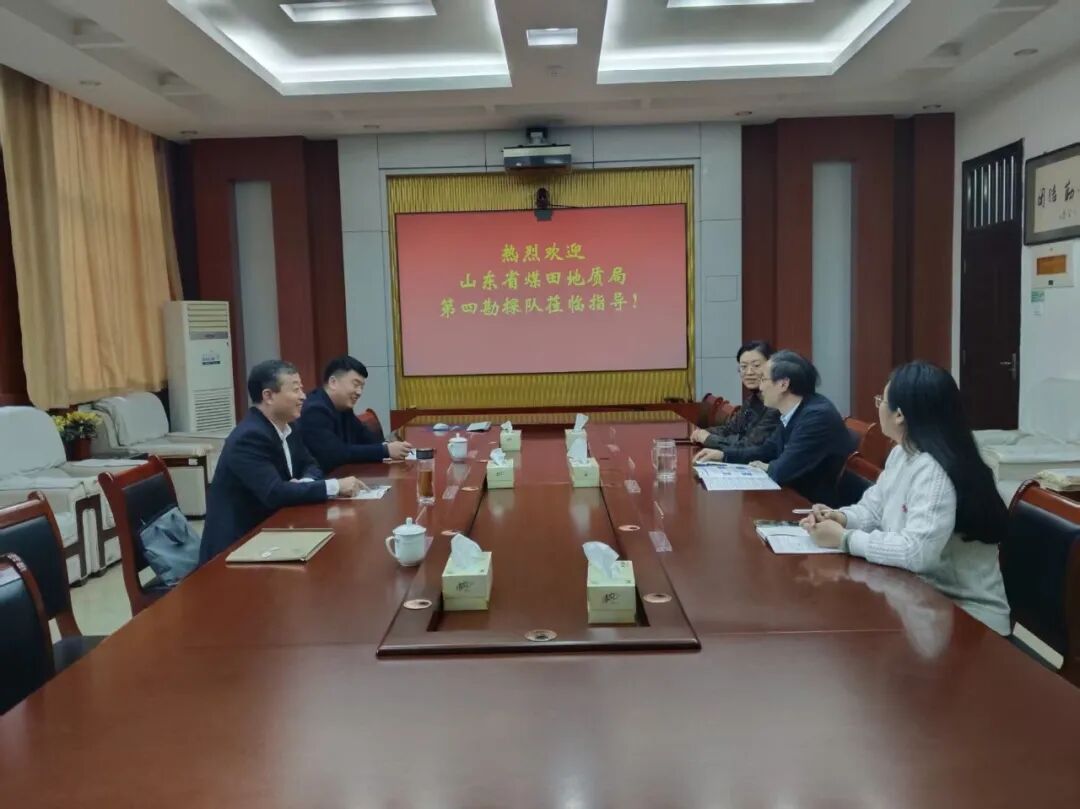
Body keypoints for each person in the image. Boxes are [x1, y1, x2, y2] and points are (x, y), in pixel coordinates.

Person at [799, 361, 1011, 635]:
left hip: (967, 617)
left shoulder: (933, 468)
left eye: (881, 400)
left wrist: (845, 539)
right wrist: (841, 518)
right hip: (919, 599)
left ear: (899, 414)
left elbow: (917, 553)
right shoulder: (903, 452)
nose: (878, 406)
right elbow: (874, 509)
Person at [199, 360, 362, 564]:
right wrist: (335, 486)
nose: (303, 396)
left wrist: (301, 484)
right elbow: (274, 493)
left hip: (273, 534)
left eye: (301, 388)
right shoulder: (249, 437)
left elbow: (312, 465)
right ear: (268, 396)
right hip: (235, 549)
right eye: (295, 389)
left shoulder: (288, 427)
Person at [693, 350, 853, 505]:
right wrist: (723, 455)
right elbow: (767, 450)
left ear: (783, 384)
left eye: (763, 379)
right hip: (790, 496)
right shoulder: (795, 410)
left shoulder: (816, 417)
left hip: (813, 507)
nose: (761, 387)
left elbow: (781, 470)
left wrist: (769, 466)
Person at [299, 355, 412, 472]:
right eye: (355, 384)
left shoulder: (344, 407)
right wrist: (385, 450)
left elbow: (365, 437)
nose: (359, 392)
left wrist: (389, 446)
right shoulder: (314, 410)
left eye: (362, 387)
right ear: (333, 382)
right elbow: (335, 453)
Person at [690, 340, 780, 452]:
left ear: (772, 367)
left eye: (756, 365)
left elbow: (750, 446)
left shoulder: (777, 405)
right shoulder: (752, 400)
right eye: (743, 367)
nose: (749, 372)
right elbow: (731, 429)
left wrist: (708, 439)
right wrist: (703, 433)